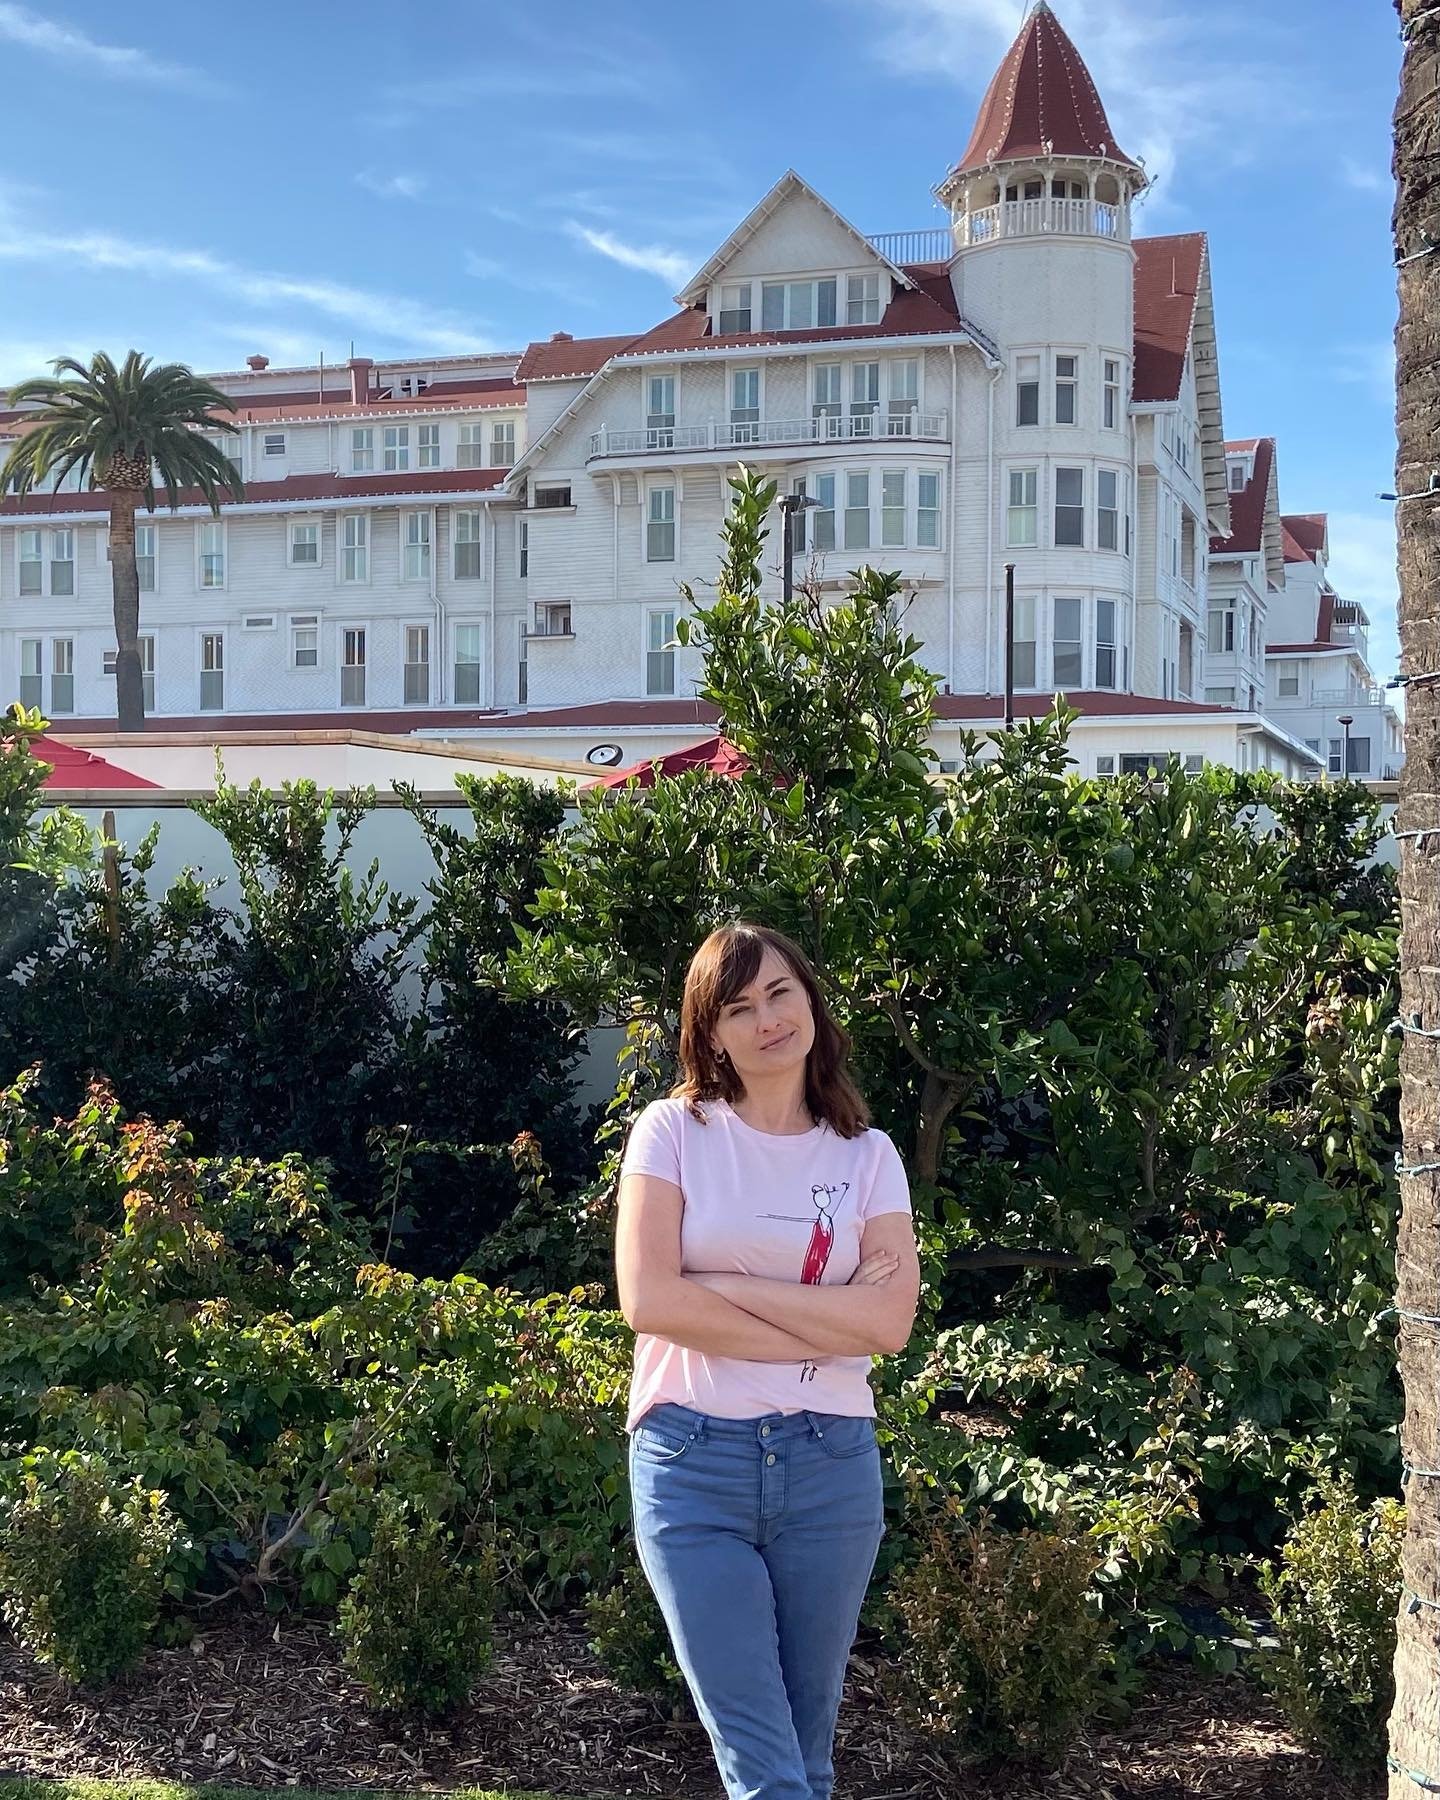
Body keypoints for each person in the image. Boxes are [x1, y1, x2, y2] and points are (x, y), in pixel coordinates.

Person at [616, 921, 920, 1800]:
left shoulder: (868, 1156)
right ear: (711, 1034)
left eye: (781, 993)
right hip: (691, 1465)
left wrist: (720, 1285)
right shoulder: (672, 1133)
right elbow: (650, 1302)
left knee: (806, 1761)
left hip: (831, 1468)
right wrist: (831, 1323)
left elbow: (888, 1323)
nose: (767, 1019)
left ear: (811, 1004)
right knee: (766, 1766)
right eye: (739, 1007)